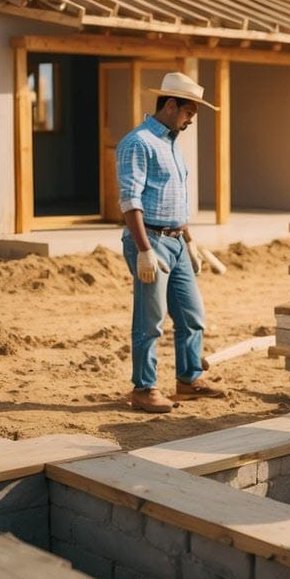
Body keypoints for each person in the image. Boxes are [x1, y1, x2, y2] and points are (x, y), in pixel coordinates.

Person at [116, 71, 226, 413]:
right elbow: (130, 201)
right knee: (150, 321)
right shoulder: (138, 143)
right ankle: (144, 389)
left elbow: (173, 199)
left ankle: (189, 379)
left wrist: (190, 241)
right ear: (172, 105)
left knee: (192, 315)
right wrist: (145, 252)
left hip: (176, 242)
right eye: (189, 112)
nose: (191, 120)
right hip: (149, 241)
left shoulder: (172, 144)